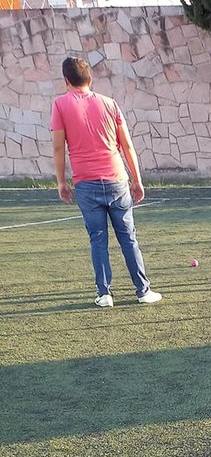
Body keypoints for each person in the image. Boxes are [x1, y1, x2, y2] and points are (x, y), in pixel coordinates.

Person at [50, 56, 162, 308]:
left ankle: (105, 294)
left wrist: (61, 182)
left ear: (66, 80)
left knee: (97, 239)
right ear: (90, 79)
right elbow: (127, 146)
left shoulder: (60, 105)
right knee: (128, 238)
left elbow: (58, 148)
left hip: (86, 184)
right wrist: (137, 180)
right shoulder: (110, 104)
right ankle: (143, 291)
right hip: (116, 180)